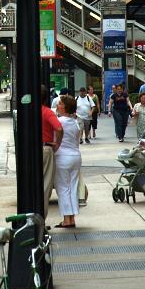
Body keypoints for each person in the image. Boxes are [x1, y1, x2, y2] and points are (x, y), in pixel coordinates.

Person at [54, 95, 82, 228]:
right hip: (76, 157)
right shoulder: (75, 122)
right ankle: (72, 217)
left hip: (62, 157)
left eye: (59, 103)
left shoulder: (59, 122)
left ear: (64, 107)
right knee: (73, 187)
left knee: (63, 188)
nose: (57, 105)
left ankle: (66, 219)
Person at [41, 85, 63, 219]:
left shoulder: (27, 111)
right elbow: (59, 129)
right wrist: (57, 145)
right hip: (46, 149)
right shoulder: (47, 112)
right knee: (46, 185)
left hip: (29, 151)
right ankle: (40, 219)